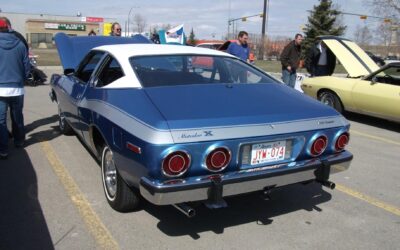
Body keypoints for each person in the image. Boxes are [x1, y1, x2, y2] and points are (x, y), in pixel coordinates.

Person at [0, 18, 30, 159]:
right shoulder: (20, 44)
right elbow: (26, 67)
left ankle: (3, 149)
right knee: (17, 116)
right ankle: (19, 141)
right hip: (17, 88)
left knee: (1, 120)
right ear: (9, 27)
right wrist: (23, 78)